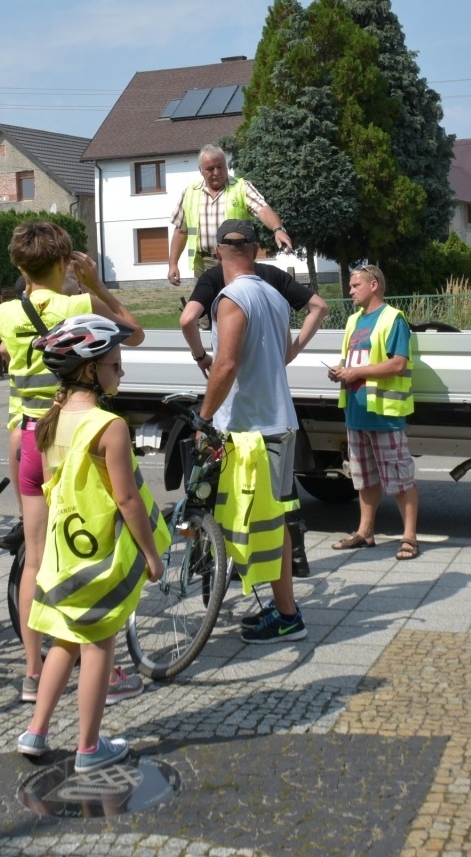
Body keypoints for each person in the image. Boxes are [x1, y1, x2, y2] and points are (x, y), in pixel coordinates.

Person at [0, 221, 143, 706]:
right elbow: (133, 334)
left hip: (23, 439)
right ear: (64, 262)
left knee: (36, 557)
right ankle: (103, 662)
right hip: (66, 436)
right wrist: (96, 284)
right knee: (85, 552)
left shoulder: (2, 313)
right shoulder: (76, 305)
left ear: (19, 265)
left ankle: (32, 674)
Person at [16, 315, 167, 774]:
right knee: (99, 642)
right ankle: (87, 747)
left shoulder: (51, 420)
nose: (121, 373)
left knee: (64, 638)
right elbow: (126, 499)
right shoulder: (110, 426)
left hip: (63, 553)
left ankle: (36, 731)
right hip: (97, 553)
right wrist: (152, 554)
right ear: (90, 369)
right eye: (116, 365)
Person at [199, 219, 306, 643]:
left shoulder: (231, 298)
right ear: (258, 250)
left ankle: (286, 614)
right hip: (279, 420)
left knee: (239, 515)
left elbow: (224, 364)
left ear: (217, 251)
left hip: (248, 428)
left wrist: (204, 417)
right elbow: (281, 354)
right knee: (274, 522)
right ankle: (283, 610)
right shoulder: (276, 297)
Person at [328, 263, 422, 560]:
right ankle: (365, 532)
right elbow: (354, 362)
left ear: (374, 285)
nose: (350, 290)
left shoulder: (394, 319)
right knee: (363, 478)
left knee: (400, 479)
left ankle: (409, 537)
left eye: (356, 285)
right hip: (356, 414)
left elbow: (398, 363)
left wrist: (355, 373)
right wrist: (341, 372)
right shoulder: (354, 320)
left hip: (385, 416)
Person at [166, 144, 294, 286]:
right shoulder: (190, 192)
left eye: (220, 167)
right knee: (205, 305)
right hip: (203, 263)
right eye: (210, 169)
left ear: (226, 166)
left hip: (237, 260)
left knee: (237, 303)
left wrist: (278, 229)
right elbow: (180, 231)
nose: (216, 172)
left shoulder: (241, 187)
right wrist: (173, 264)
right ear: (200, 170)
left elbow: (263, 209)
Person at [180, 261, 328, 376]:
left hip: (231, 380)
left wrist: (201, 357)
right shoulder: (274, 274)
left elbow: (187, 319)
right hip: (272, 377)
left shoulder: (213, 276)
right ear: (255, 249)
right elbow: (319, 307)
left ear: (218, 252)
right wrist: (292, 352)